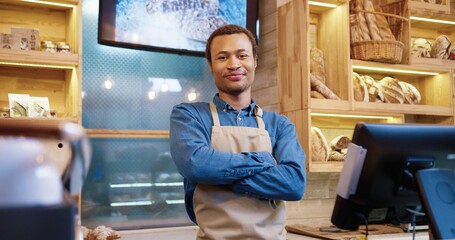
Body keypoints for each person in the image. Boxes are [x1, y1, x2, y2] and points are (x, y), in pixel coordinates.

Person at [169, 24, 306, 240]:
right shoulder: (189, 115)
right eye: (222, 57)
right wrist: (263, 160)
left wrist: (215, 178)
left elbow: (294, 184)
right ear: (211, 65)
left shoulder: (279, 124)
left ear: (255, 61)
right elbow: (195, 165)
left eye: (242, 55)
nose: (234, 64)